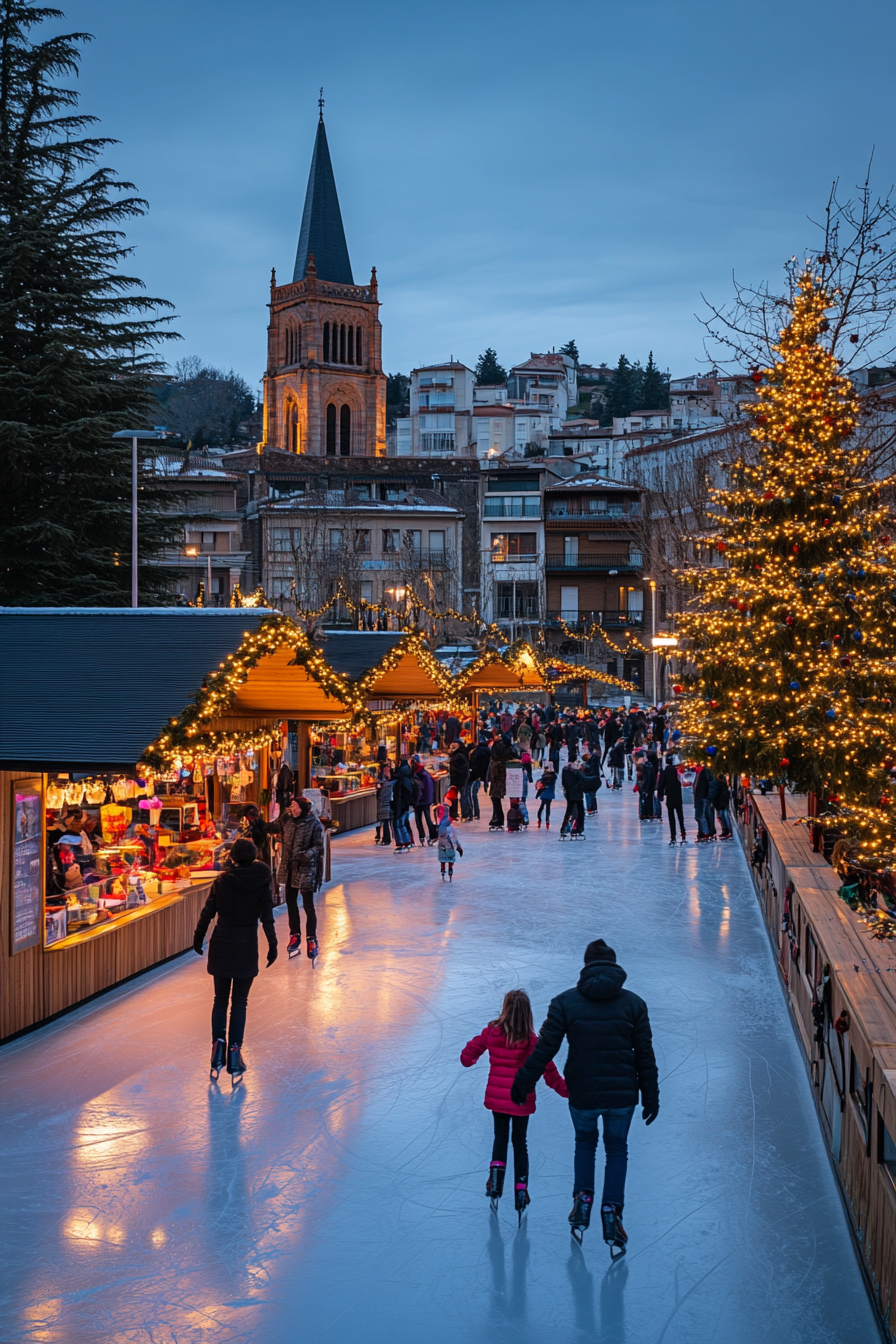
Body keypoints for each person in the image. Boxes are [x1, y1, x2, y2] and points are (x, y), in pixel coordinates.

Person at [511, 939, 659, 1255]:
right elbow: (644, 1054)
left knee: (585, 1144)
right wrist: (651, 1095)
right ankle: (611, 1212)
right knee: (617, 1149)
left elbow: (544, 1049)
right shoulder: (634, 1004)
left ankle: (582, 1202)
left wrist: (523, 1082)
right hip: (622, 1094)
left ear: (586, 966)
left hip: (583, 1092)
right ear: (615, 967)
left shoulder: (565, 1003)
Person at [461, 989, 567, 1218]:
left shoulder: (492, 1033)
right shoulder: (533, 1042)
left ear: (505, 1009)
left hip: (498, 1099)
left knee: (500, 1137)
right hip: (521, 1100)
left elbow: (466, 1058)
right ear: (528, 1013)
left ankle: (496, 1183)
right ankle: (521, 1191)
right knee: (520, 1142)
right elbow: (550, 1073)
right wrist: (571, 1092)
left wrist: (472, 1053)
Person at [193, 837, 277, 1084]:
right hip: (246, 947)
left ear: (232, 858)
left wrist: (198, 938)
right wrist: (272, 945)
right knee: (239, 1002)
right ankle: (234, 1054)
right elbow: (267, 918)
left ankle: (217, 1050)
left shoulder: (222, 882)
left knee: (220, 1000)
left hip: (222, 944)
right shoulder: (262, 882)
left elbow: (207, 913)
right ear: (254, 857)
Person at [284, 797, 324, 959]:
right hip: (289, 867)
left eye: (293, 805)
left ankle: (311, 938)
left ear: (301, 808)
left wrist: (306, 855)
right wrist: (256, 821)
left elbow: (318, 846)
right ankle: (295, 934)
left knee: (308, 905)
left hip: (306, 868)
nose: (291, 807)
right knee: (291, 902)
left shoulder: (314, 824)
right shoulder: (287, 820)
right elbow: (272, 827)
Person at [657, 754, 686, 845]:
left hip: (670, 796)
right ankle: (683, 832)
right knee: (680, 815)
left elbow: (661, 784)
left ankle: (673, 836)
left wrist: (660, 795)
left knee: (671, 816)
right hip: (678, 796)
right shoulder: (677, 771)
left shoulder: (665, 772)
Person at [487, 733, 513, 831]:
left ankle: (498, 818)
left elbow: (493, 759)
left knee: (495, 798)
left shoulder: (497, 747)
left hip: (497, 775)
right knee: (496, 798)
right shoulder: (508, 746)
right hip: (503, 775)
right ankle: (497, 818)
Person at [411, 756, 438, 844]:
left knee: (419, 818)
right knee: (426, 818)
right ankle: (431, 835)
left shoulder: (419, 774)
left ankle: (423, 836)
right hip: (426, 799)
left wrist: (416, 800)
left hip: (421, 799)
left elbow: (419, 789)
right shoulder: (424, 773)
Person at [392, 758, 415, 852]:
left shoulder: (399, 781)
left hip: (400, 805)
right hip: (405, 805)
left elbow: (398, 795)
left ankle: (401, 843)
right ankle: (407, 841)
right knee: (403, 823)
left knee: (398, 824)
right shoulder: (408, 779)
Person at [560, 759, 587, 840]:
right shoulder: (577, 773)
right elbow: (585, 780)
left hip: (570, 795)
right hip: (577, 795)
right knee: (579, 812)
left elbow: (564, 783)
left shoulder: (566, 772)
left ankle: (565, 829)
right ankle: (577, 829)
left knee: (570, 812)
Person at [435, 803, 463, 880]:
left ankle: (443, 870)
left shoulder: (440, 826)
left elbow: (436, 836)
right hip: (449, 847)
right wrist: (458, 846)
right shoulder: (449, 827)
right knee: (450, 858)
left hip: (441, 846)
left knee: (443, 859)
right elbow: (453, 838)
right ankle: (450, 869)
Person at [469, 736, 491, 820]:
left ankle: (473, 812)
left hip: (475, 774)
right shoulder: (489, 751)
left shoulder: (476, 752)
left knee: (472, 793)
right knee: (474, 793)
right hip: (483, 775)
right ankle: (476, 813)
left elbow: (473, 762)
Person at [694, 763, 713, 843]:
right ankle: (702, 832)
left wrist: (708, 796)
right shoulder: (703, 772)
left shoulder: (706, 772)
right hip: (701, 796)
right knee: (702, 815)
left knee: (700, 816)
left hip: (702, 797)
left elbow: (711, 785)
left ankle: (706, 832)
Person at [375, 763, 394, 846]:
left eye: (388, 770)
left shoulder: (385, 784)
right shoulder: (387, 782)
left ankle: (386, 838)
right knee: (385, 821)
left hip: (386, 804)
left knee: (385, 821)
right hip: (385, 804)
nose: (387, 772)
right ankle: (384, 837)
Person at [713, 771, 733, 839]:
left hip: (722, 804)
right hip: (721, 804)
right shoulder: (721, 784)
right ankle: (725, 830)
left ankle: (726, 830)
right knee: (722, 817)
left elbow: (721, 794)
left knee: (723, 816)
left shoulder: (720, 784)